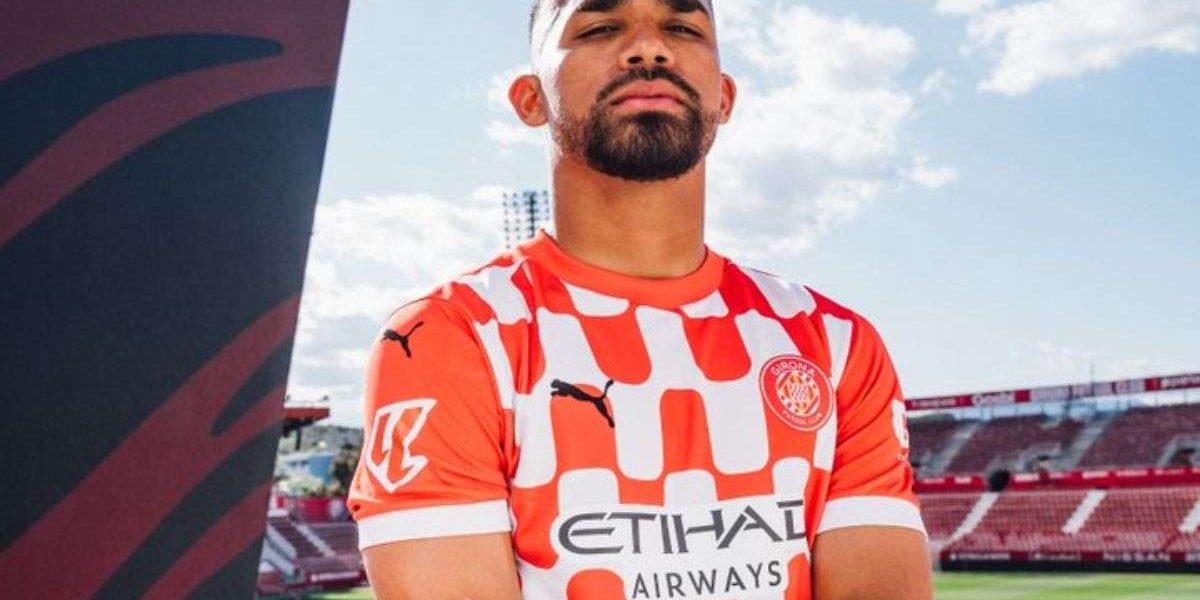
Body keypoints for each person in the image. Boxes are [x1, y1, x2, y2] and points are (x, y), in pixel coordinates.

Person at [347, 1, 932, 598]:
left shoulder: (835, 342)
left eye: (682, 27)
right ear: (531, 99)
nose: (649, 48)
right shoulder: (450, 336)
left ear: (724, 97)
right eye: (601, 27)